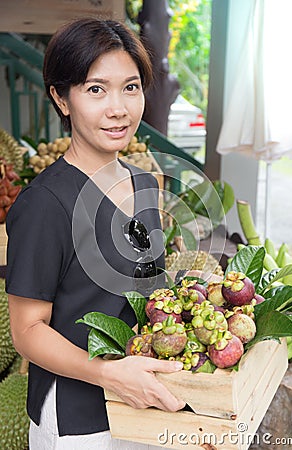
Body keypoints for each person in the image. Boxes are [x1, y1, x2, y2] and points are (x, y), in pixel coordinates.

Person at [6, 18, 186, 450]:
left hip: (143, 405)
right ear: (60, 98)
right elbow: (27, 330)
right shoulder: (45, 203)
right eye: (95, 89)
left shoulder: (145, 185)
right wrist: (107, 373)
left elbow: (144, 292)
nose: (118, 108)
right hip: (78, 417)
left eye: (131, 87)